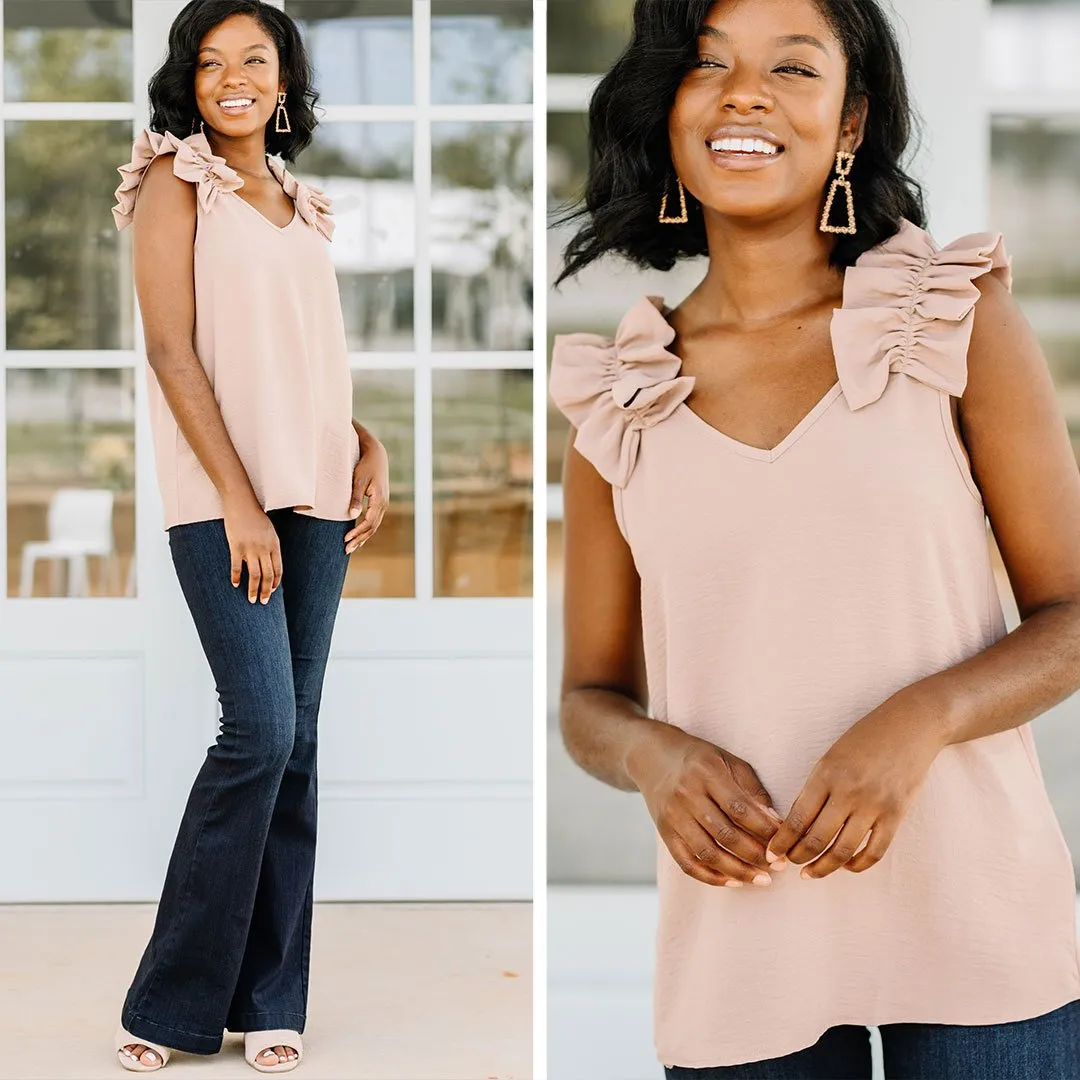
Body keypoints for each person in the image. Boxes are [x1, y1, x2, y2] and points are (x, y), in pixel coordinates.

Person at [548, 0, 1080, 1076]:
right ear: (667, 114)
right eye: (708, 65)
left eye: (792, 68)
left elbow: (1072, 615)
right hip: (742, 938)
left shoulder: (951, 318)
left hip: (980, 922)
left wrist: (922, 721)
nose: (744, 92)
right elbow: (590, 700)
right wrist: (655, 757)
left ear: (850, 123)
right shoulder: (620, 396)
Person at [109, 0, 389, 1072]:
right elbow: (174, 352)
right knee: (258, 733)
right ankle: (170, 1005)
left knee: (299, 747)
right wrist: (234, 499)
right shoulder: (177, 183)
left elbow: (303, 359)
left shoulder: (297, 202)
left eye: (256, 60)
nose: (235, 78)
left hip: (316, 493)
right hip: (224, 499)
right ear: (190, 77)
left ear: (284, 78)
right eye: (213, 61)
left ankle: (273, 1000)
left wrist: (366, 441)